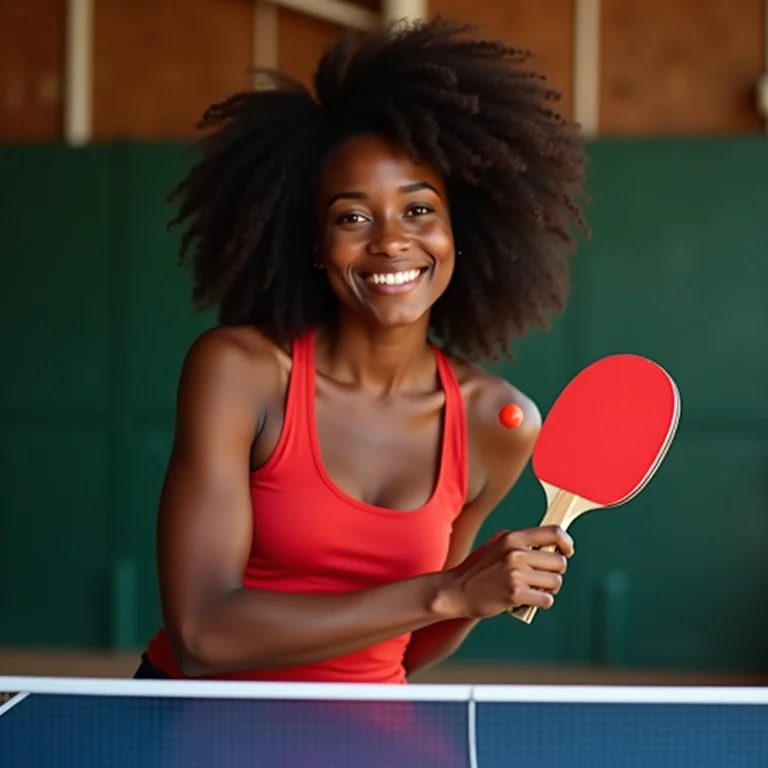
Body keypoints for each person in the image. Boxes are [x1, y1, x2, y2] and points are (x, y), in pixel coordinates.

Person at [136, 15, 588, 683]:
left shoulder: (497, 423)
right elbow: (205, 634)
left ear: (460, 230)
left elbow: (412, 646)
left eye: (419, 210)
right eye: (352, 216)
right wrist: (448, 590)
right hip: (202, 712)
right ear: (316, 245)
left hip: (368, 716)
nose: (390, 241)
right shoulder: (241, 373)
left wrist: (478, 594)